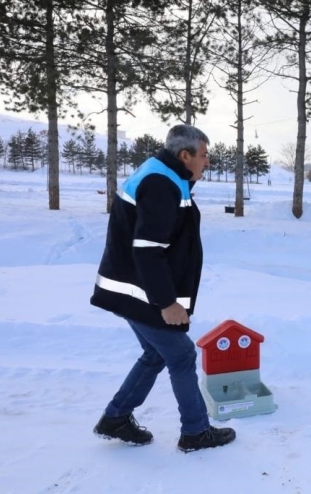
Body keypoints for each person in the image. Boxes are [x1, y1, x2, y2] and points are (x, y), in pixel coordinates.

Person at [90, 124, 236, 452]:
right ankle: (196, 432)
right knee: (181, 353)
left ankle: (116, 417)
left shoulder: (167, 175)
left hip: (134, 288)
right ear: (185, 156)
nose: (208, 162)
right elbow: (147, 249)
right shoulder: (160, 183)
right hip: (139, 291)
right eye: (204, 155)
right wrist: (167, 302)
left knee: (156, 353)